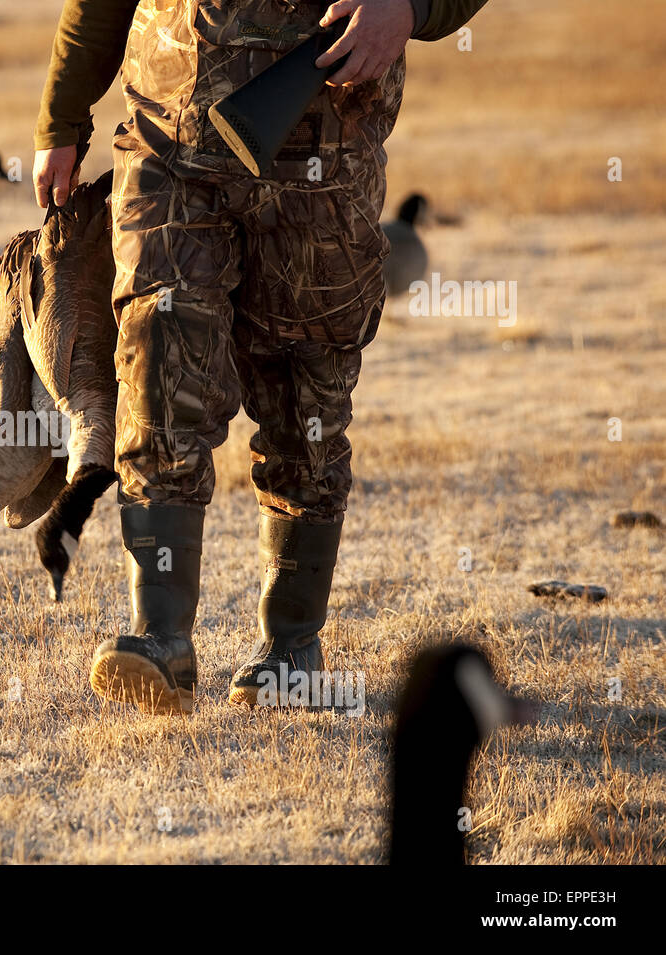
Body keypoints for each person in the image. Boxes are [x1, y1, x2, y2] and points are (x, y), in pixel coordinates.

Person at [33, 0, 488, 713]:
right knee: (157, 360)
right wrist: (60, 121)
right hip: (168, 136)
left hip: (322, 154)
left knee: (304, 393)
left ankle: (291, 648)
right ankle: (160, 638)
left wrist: (407, 9)